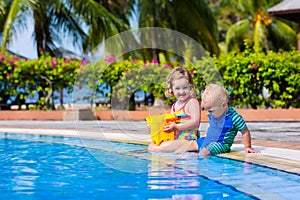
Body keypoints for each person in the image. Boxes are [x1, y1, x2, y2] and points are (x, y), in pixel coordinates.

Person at [186, 83, 260, 157]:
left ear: (224, 105)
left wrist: (248, 147)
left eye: (211, 111)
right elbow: (211, 126)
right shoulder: (214, 114)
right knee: (191, 144)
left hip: (221, 144)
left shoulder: (234, 118)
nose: (209, 113)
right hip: (209, 140)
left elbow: (245, 132)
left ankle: (196, 159)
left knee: (208, 149)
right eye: (208, 110)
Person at [148, 67, 201, 151]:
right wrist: (155, 128)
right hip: (176, 139)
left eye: (185, 88)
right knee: (152, 145)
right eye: (177, 88)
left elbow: (195, 122)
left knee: (160, 147)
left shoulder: (192, 102)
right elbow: (169, 124)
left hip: (188, 141)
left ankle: (159, 150)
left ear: (190, 87)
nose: (181, 91)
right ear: (171, 89)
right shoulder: (174, 106)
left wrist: (177, 126)